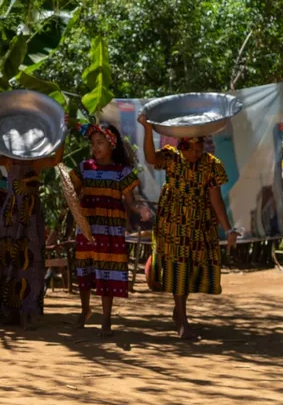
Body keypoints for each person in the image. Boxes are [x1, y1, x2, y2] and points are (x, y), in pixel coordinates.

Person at [138, 116, 238, 340]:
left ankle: (179, 311)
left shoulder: (211, 164)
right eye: (193, 147)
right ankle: (182, 320)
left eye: (201, 145)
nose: (198, 151)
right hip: (172, 224)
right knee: (177, 268)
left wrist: (228, 229)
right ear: (182, 147)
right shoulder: (171, 158)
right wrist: (147, 129)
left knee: (190, 269)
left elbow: (216, 199)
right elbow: (150, 158)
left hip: (199, 224)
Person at [0, 137, 61, 329]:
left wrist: (62, 133)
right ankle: (8, 311)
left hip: (31, 214)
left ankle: (27, 313)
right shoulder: (8, 161)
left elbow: (56, 160)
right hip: (11, 215)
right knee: (7, 259)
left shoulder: (37, 162)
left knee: (30, 261)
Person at [71, 123, 149, 336]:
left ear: (111, 145)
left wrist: (140, 208)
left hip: (111, 228)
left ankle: (106, 318)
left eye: (100, 143)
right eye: (93, 143)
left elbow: (130, 202)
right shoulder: (84, 168)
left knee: (108, 271)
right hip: (87, 226)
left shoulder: (122, 172)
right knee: (84, 269)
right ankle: (85, 309)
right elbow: (72, 194)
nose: (95, 148)